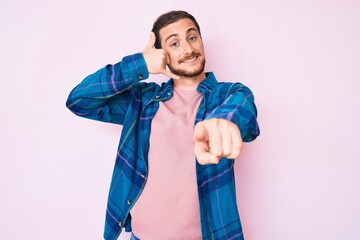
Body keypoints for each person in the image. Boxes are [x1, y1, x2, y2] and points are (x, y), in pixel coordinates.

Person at [66, 10, 260, 240]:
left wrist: (224, 123)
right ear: (162, 53)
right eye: (174, 43)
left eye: (192, 37)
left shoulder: (228, 94)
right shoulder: (144, 101)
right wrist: (138, 65)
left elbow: (241, 109)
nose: (188, 49)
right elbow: (79, 101)